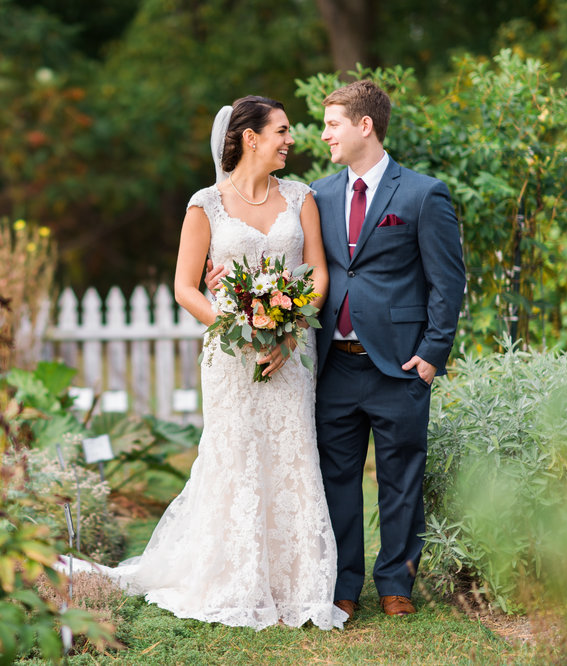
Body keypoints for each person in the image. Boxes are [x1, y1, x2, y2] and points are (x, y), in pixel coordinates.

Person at [65, 96, 346, 631]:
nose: (291, 140)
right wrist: (234, 327)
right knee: (235, 455)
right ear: (250, 137)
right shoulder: (206, 205)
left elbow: (317, 273)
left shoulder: (301, 197)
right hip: (231, 352)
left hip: (293, 352)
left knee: (291, 453)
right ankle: (235, 577)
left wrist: (287, 336)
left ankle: (295, 583)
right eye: (282, 131)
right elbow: (183, 287)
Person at [310, 80, 466, 619]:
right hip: (334, 365)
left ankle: (397, 582)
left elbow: (448, 280)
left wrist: (431, 354)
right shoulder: (319, 195)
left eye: (332, 123)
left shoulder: (424, 194)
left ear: (364, 125)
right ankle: (343, 585)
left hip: (400, 365)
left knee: (401, 478)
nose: (324, 133)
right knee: (337, 480)